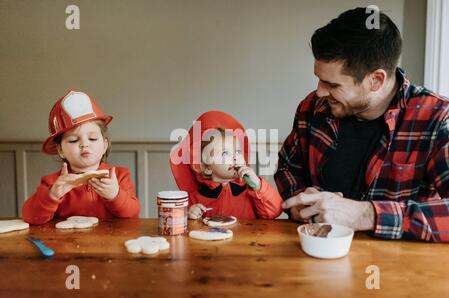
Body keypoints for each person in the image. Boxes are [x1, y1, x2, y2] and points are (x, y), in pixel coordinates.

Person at [275, 7, 449, 242]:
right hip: (315, 258)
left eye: (333, 85)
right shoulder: (312, 108)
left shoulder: (437, 118)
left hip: (400, 271)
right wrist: (299, 201)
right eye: (319, 79)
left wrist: (365, 214)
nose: (319, 91)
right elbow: (288, 168)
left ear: (376, 80)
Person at [22, 90, 141, 225]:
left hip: (109, 244)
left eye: (92, 138)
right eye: (73, 140)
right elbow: (29, 217)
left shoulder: (118, 176)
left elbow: (133, 214)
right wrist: (52, 195)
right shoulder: (53, 183)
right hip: (65, 244)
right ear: (60, 150)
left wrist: (115, 195)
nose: (84, 144)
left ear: (104, 145)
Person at [170, 110, 283, 220]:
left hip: (248, 239)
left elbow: (275, 211)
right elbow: (175, 221)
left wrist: (258, 185)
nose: (235, 156)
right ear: (207, 168)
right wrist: (188, 214)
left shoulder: (251, 192)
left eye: (238, 151)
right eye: (225, 153)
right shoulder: (194, 198)